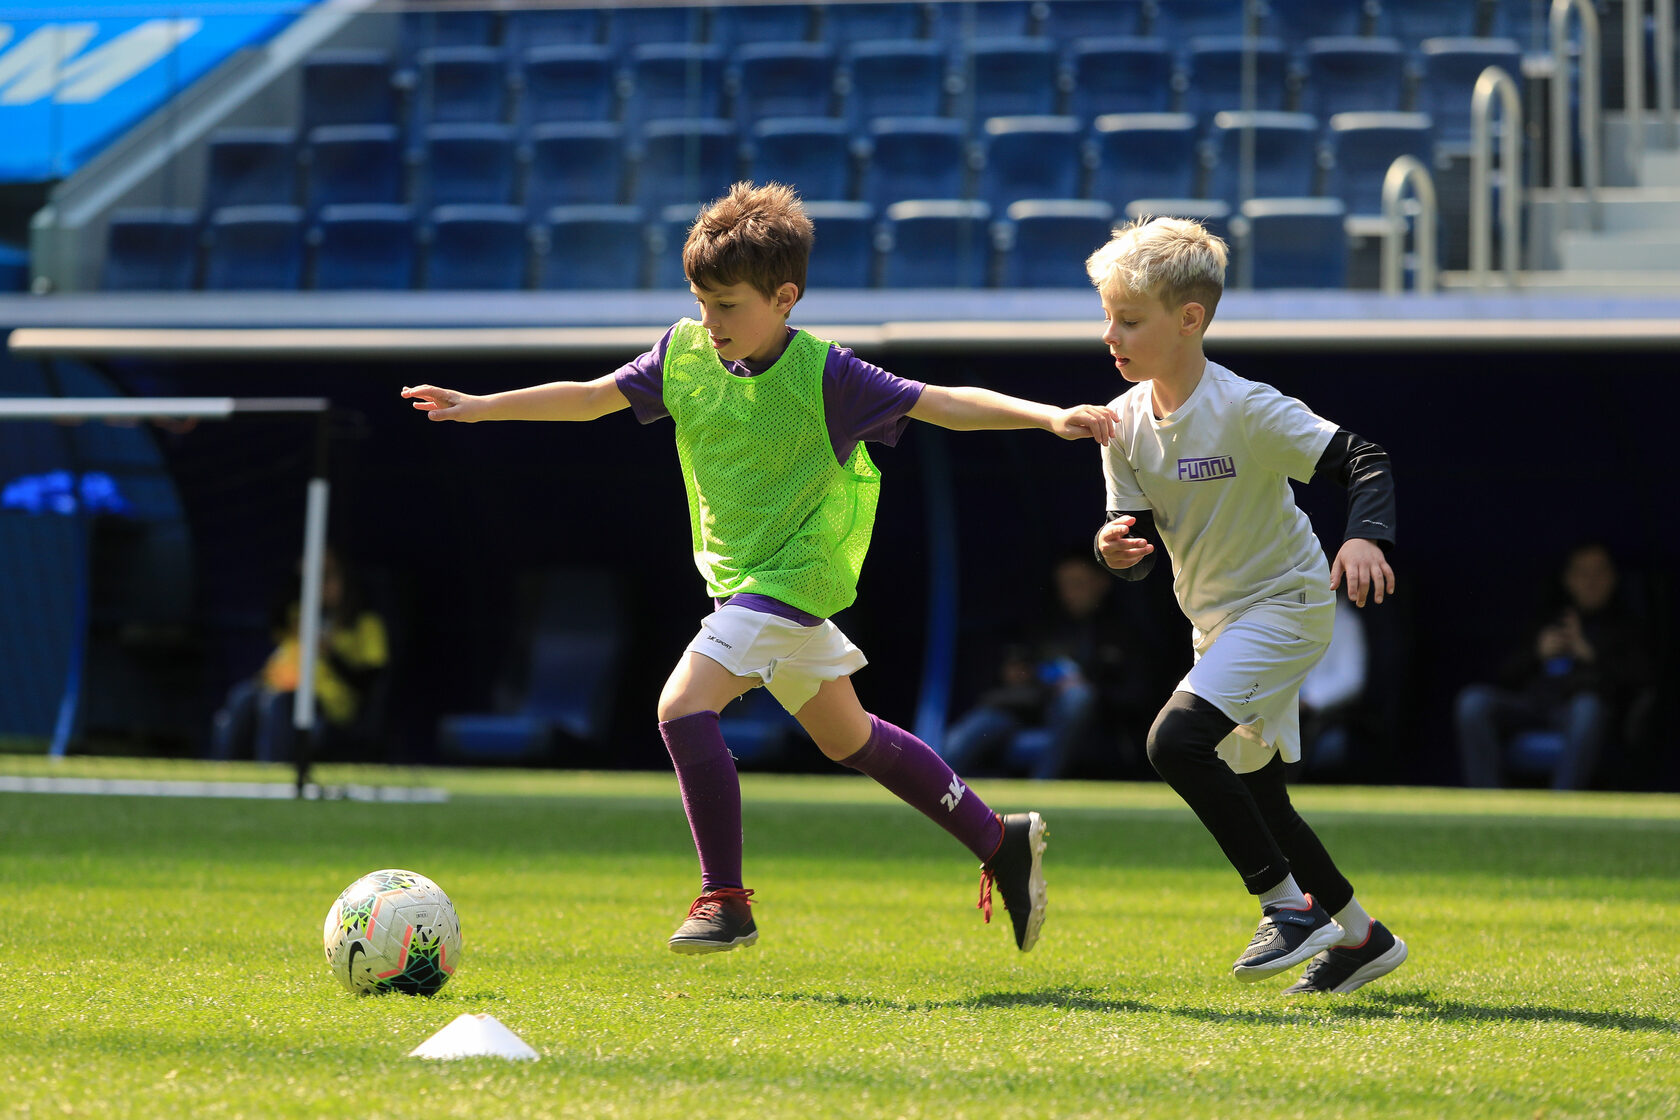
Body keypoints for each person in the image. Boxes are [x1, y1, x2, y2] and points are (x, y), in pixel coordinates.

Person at [402, 181, 1119, 956]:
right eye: (702, 302)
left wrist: (1049, 416)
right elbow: (589, 397)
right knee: (852, 741)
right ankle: (998, 840)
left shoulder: (829, 376)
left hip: (796, 578)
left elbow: (940, 401)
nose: (711, 323)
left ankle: (725, 899)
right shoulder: (681, 353)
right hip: (742, 582)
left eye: (728, 306)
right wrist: (479, 405)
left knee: (681, 708)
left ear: (785, 297)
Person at [1085, 215, 1406, 996]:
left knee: (1174, 743)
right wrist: (1113, 550)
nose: (1110, 335)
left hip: (1289, 605)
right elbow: (1129, 531)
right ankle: (1363, 939)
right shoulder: (1120, 423)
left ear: (1190, 320)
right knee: (1261, 796)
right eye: (1107, 317)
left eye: (1129, 320)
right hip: (1217, 625)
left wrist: (1366, 540)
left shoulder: (1246, 407)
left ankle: (1284, 907)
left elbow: (1365, 459)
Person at [940, 551, 1161, 779]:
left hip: (1091, 722)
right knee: (977, 726)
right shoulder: (1041, 625)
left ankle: (1041, 789)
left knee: (1078, 697)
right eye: (1063, 584)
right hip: (1025, 708)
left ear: (1102, 583)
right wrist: (1019, 674)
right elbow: (1010, 674)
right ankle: (935, 791)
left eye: (1078, 583)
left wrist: (1089, 687)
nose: (1069, 593)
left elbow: (1138, 695)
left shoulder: (1123, 634)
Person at [1454, 540, 1653, 790]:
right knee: (1473, 702)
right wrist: (1537, 653)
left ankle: (1561, 805)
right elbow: (1505, 676)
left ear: (1613, 578)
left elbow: (1641, 683)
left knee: (1587, 707)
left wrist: (1590, 653)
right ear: (1568, 579)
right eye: (1583, 573)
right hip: (1534, 706)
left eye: (1598, 572)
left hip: (1581, 713)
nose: (1591, 581)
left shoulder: (1626, 625)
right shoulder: (1548, 618)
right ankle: (1488, 804)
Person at [210, 548, 388, 762]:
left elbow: (369, 681)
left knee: (280, 705)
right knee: (242, 697)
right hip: (277, 687)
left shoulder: (365, 624)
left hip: (327, 703)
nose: (321, 585)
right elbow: (276, 615)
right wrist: (299, 576)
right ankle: (225, 775)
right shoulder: (301, 614)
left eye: (328, 577)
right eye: (315, 577)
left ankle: (275, 775)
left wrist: (330, 654)